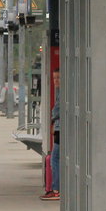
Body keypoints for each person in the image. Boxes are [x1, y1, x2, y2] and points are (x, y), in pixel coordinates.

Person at [41, 68, 60, 200]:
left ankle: (56, 189)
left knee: (54, 159)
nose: (56, 81)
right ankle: (56, 188)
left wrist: (52, 119)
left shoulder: (63, 92)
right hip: (60, 128)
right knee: (55, 158)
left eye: (58, 78)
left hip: (61, 129)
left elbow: (58, 110)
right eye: (54, 78)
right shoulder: (59, 91)